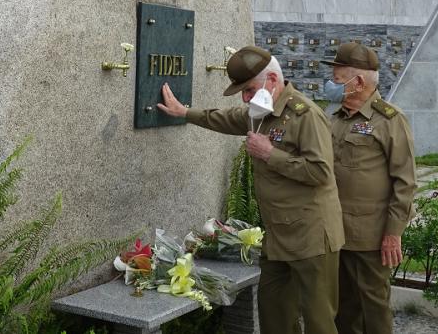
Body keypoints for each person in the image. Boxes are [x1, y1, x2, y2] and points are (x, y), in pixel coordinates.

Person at [157, 45, 344, 334]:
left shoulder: (306, 115)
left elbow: (320, 172)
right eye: (242, 92)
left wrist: (271, 154)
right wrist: (184, 112)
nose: (245, 98)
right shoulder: (260, 112)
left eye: (249, 90)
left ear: (271, 81)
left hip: (312, 239)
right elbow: (224, 117)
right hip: (278, 237)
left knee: (319, 322)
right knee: (274, 316)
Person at [321, 42, 417, 334]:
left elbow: (406, 182)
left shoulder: (389, 120)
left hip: (371, 237)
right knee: (343, 309)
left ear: (358, 81)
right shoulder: (335, 119)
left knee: (373, 309)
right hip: (337, 233)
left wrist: (393, 234)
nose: (330, 86)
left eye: (337, 80)